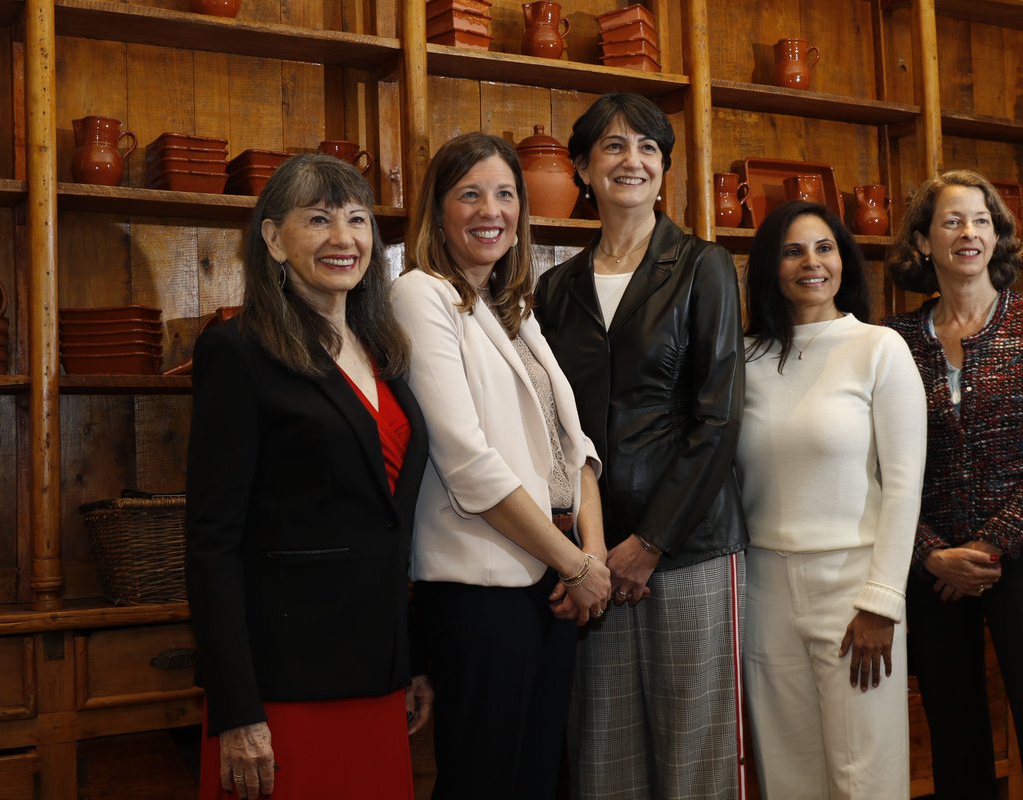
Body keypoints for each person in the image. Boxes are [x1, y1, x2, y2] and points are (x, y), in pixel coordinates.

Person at [185, 153, 433, 800]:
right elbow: (212, 541)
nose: (343, 238)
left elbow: (389, 524)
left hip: (377, 672)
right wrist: (237, 708)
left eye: (356, 219)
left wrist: (408, 661)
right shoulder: (238, 352)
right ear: (273, 238)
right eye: (318, 219)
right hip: (283, 687)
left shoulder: (384, 350)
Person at [534, 92, 748, 800]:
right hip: (589, 554)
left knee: (694, 759)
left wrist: (650, 541)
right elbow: (555, 430)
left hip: (686, 548)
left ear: (665, 170)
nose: (634, 160)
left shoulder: (702, 266)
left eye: (649, 148)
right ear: (581, 169)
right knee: (601, 760)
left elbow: (716, 420)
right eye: (614, 146)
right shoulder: (554, 288)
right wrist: (588, 551)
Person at [390, 132, 611, 800]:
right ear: (439, 208)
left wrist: (589, 556)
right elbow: (467, 463)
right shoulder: (420, 294)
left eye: (506, 193)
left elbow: (575, 449)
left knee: (536, 780)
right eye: (471, 193)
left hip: (551, 581)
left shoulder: (515, 309)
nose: (493, 209)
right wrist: (574, 565)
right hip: (479, 594)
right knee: (483, 782)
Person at [885, 169, 1023, 799]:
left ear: (997, 237)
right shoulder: (893, 342)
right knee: (955, 743)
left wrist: (992, 546)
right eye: (951, 221)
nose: (967, 232)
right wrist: (931, 556)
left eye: (980, 220)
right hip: (936, 571)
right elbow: (880, 468)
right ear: (923, 242)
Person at [737, 201, 926, 799]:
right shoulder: (743, 359)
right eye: (793, 251)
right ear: (771, 266)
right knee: (787, 775)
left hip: (853, 591)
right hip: (763, 589)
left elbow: (903, 485)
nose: (811, 263)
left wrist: (882, 601)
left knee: (862, 778)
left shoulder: (879, 348)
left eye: (824, 248)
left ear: (844, 260)